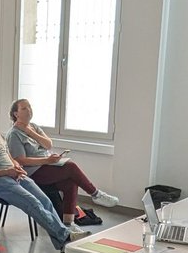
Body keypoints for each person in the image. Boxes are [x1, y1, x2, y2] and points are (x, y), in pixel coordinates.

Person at [0, 99, 85, 253]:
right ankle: (65, 236)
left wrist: (15, 166)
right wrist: (6, 171)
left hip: (12, 174)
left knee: (44, 200)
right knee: (32, 202)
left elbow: (9, 157)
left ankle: (63, 245)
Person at [6, 98, 118, 229]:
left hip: (47, 166)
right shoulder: (14, 134)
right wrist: (47, 160)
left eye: (29, 107)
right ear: (16, 114)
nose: (29, 110)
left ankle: (68, 224)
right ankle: (95, 194)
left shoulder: (34, 127)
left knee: (71, 182)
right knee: (71, 167)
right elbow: (20, 160)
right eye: (24, 108)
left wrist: (30, 131)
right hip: (32, 172)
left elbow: (48, 144)